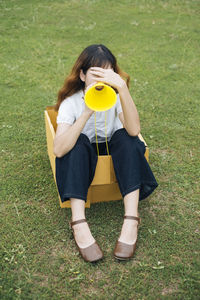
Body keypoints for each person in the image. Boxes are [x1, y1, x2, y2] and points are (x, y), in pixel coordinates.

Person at [53, 44, 158, 263]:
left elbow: (134, 130)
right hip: (83, 151)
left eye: (107, 74)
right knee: (77, 143)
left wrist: (123, 89)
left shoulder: (116, 97)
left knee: (128, 140)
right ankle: (79, 222)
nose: (102, 81)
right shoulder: (70, 103)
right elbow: (59, 148)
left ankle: (131, 219)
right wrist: (87, 109)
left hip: (114, 145)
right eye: (95, 74)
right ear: (82, 75)